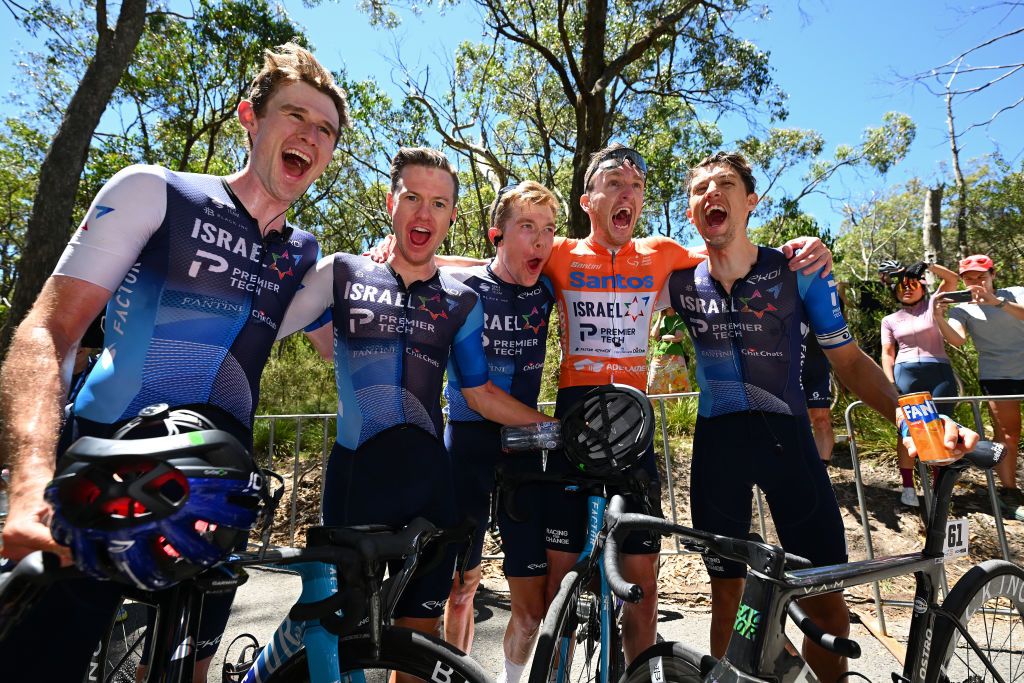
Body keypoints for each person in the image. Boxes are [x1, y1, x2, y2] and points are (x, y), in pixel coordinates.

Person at [0, 42, 350, 681]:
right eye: (294, 115)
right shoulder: (154, 193)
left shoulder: (302, 253)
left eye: (324, 128)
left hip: (216, 495)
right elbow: (48, 333)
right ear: (250, 117)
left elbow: (373, 314)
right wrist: (28, 483)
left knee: (187, 667)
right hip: (106, 476)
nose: (309, 134)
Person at [414, 142, 834, 664]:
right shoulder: (560, 253)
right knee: (555, 596)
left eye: (636, 187)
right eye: (613, 184)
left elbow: (734, 249)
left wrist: (806, 251)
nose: (627, 194)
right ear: (588, 201)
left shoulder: (662, 255)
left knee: (643, 593)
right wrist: (401, 255)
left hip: (633, 426)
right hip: (574, 425)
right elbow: (488, 263)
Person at [660, 151, 979, 683]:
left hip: (788, 444)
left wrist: (920, 422)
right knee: (728, 597)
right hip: (718, 449)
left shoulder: (797, 273)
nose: (711, 193)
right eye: (700, 189)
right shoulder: (677, 281)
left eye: (726, 184)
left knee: (826, 604)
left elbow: (851, 361)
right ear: (691, 210)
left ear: (751, 201)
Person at [273, 148, 555, 659]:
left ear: (452, 215)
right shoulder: (343, 273)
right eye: (413, 198)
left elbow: (480, 394)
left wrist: (553, 427)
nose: (425, 214)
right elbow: (265, 322)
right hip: (357, 478)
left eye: (440, 204)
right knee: (335, 637)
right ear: (391, 203)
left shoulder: (460, 301)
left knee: (418, 645)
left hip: (429, 486)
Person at [441, 181, 558, 680]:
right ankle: (456, 672)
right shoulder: (464, 291)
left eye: (549, 230)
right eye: (527, 228)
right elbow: (431, 262)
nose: (540, 242)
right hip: (466, 446)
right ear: (497, 235)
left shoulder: (551, 286)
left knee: (529, 602)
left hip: (524, 453)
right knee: (462, 586)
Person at [933, 253, 1024, 519]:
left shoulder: (1015, 293)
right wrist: (938, 317)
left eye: (981, 277)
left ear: (993, 275)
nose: (976, 283)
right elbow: (957, 340)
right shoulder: (961, 308)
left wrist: (997, 303)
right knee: (1008, 432)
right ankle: (1010, 492)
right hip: (998, 375)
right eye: (969, 279)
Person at [878, 259, 959, 507]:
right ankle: (908, 486)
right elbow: (887, 352)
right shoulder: (890, 319)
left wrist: (926, 266)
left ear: (923, 287)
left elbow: (953, 280)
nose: (907, 289)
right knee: (908, 429)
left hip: (939, 372)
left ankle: (938, 489)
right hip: (906, 374)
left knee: (941, 428)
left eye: (913, 284)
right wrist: (890, 380)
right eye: (902, 286)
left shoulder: (932, 306)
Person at [802, 333, 834, 461]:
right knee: (783, 421)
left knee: (821, 420)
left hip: (816, 364)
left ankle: (822, 472)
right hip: (781, 364)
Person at [647, 308, 691, 395]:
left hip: (676, 357)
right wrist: (660, 318)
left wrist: (662, 337)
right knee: (653, 388)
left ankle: (678, 409)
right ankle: (654, 409)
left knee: (677, 388)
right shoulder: (660, 319)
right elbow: (653, 335)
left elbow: (678, 337)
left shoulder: (679, 318)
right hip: (658, 357)